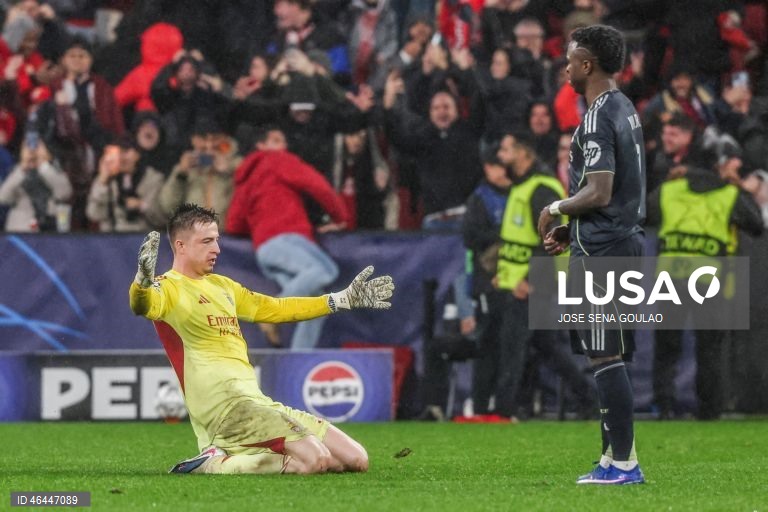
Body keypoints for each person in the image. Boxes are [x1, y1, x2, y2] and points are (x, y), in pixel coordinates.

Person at [128, 204, 394, 474]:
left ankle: (231, 455)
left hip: (257, 402)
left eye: (217, 240)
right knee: (315, 460)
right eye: (207, 241)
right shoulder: (168, 287)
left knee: (356, 459)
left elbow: (275, 309)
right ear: (181, 246)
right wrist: (141, 282)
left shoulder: (223, 286)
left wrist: (338, 300)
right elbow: (143, 305)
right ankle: (211, 464)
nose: (217, 249)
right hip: (224, 409)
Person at [537, 25, 646, 485]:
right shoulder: (624, 108)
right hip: (612, 241)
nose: (565, 66)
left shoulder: (599, 114)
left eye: (569, 58)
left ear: (586, 63)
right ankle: (612, 458)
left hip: (603, 251)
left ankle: (623, 464)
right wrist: (572, 225)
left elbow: (599, 190)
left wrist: (556, 207)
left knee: (605, 356)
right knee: (607, 354)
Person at [225, 126, 350, 350]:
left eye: (283, 141)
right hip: (287, 238)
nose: (282, 146)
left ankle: (295, 362)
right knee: (326, 271)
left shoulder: (246, 179)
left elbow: (233, 224)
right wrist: (340, 216)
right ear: (261, 146)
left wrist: (259, 225)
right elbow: (316, 184)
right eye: (275, 140)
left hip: (265, 251)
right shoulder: (278, 160)